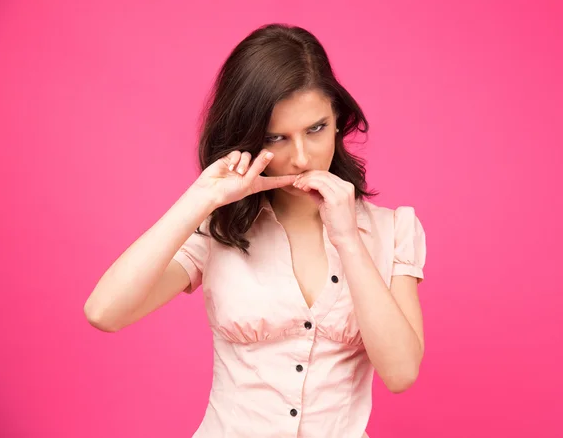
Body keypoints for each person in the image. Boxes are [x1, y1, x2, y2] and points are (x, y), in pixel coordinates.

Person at [84, 23, 427, 438]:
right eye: (276, 137)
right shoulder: (219, 230)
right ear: (248, 139)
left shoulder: (393, 230)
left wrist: (349, 239)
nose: (301, 157)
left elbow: (401, 373)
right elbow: (105, 312)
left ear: (338, 119)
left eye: (316, 128)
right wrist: (202, 198)